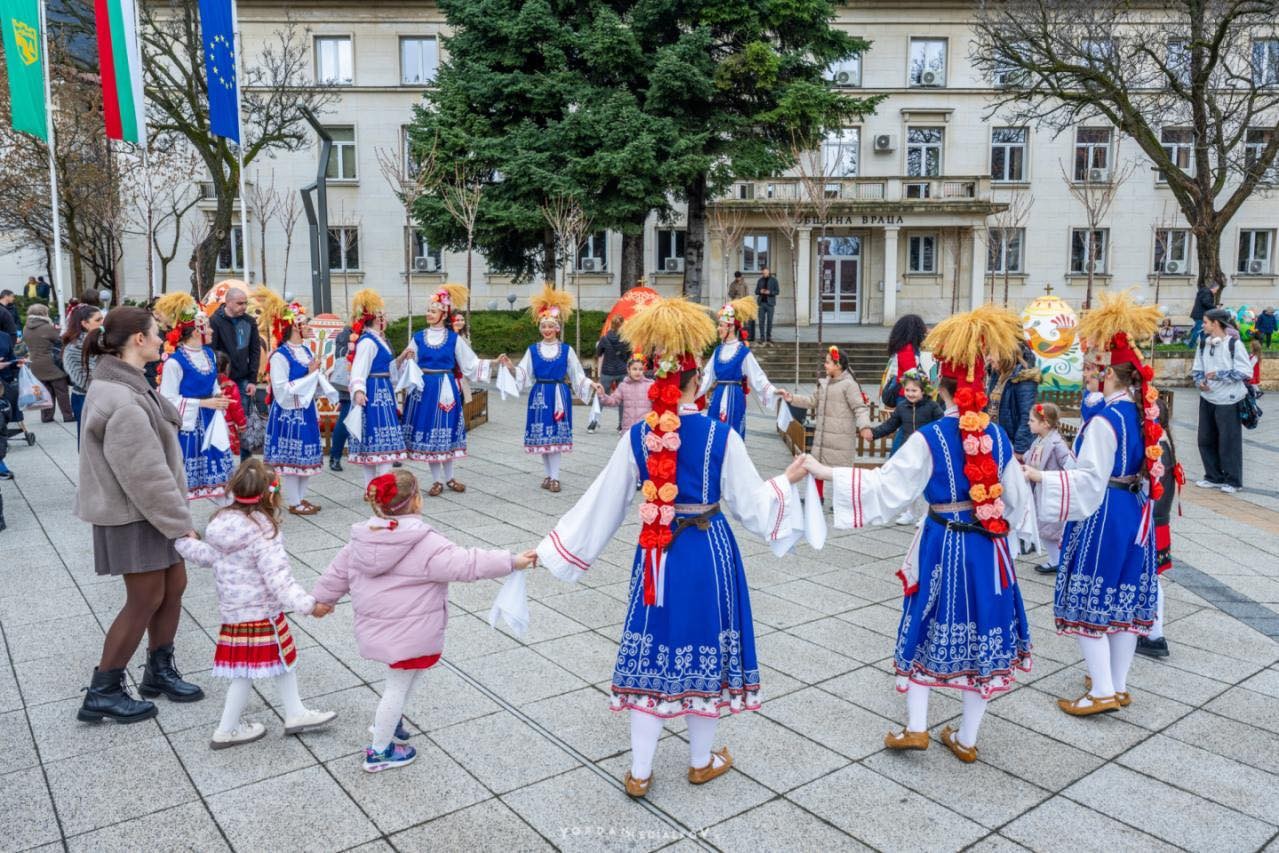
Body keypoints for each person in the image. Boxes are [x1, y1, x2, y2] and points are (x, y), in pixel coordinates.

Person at [536, 297, 807, 798]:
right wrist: (787, 482)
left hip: (656, 554)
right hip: (709, 553)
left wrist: (553, 550)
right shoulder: (721, 435)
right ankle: (700, 761)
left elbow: (604, 502)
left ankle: (640, 772)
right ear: (695, 378)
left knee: (652, 646)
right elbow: (752, 506)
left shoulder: (638, 436)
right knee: (705, 646)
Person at [804, 303, 1037, 763]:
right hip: (988, 548)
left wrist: (825, 471)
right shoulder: (998, 437)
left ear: (941, 387)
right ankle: (966, 738)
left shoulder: (928, 439)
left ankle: (915, 727)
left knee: (926, 621)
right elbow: (1017, 502)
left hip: (943, 542)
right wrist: (1006, 531)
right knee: (983, 631)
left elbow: (886, 487)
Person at [311, 470, 537, 772]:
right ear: (417, 500)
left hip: (382, 628)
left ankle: (389, 722)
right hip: (411, 633)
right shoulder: (425, 543)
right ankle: (379, 750)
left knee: (406, 681)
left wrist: (322, 600)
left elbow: (337, 572)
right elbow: (468, 563)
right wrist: (510, 561)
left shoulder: (363, 537)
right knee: (397, 687)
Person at [1024, 291, 1165, 717]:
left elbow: (1089, 478)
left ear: (1109, 374)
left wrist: (1041, 477)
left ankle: (1101, 689)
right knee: (1122, 603)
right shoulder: (1140, 413)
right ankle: (1117, 686)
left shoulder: (1106, 420)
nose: (1091, 372)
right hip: (1134, 512)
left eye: (1095, 367)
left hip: (1104, 513)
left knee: (1090, 599)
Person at [76, 306, 205, 724]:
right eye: (156, 333)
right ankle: (104, 689)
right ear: (138, 340)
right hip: (136, 514)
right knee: (145, 598)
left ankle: (158, 672)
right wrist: (181, 524)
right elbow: (144, 475)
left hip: (150, 511)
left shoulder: (128, 385)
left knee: (174, 586)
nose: (162, 339)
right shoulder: (122, 398)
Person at [175, 460, 337, 749]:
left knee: (281, 661)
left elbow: (206, 556)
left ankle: (295, 712)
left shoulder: (221, 525)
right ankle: (226, 730)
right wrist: (309, 606)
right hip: (261, 613)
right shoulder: (263, 533)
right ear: (270, 495)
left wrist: (183, 542)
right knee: (245, 674)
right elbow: (279, 581)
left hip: (236, 614)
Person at [497, 285, 592, 493]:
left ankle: (555, 477)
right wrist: (511, 368)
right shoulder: (533, 350)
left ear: (557, 328)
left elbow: (577, 373)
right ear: (540, 328)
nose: (547, 330)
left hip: (559, 394)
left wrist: (590, 384)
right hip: (539, 394)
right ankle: (549, 475)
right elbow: (524, 372)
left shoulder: (566, 350)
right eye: (544, 326)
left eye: (551, 326)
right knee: (542, 436)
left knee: (556, 436)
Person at [399, 285, 492, 494]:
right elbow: (407, 363)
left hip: (446, 388)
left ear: (443, 314)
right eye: (428, 310)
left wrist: (492, 364)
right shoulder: (418, 337)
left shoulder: (453, 338)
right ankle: (437, 481)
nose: (428, 314)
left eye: (433, 311)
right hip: (424, 389)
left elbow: (470, 363)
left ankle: (449, 478)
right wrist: (407, 359)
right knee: (431, 433)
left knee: (446, 431)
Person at [155, 294, 234, 502]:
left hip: (211, 420)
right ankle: (183, 518)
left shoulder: (209, 354)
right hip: (188, 425)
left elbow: (213, 382)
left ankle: (226, 513)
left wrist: (218, 394)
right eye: (208, 327)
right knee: (184, 479)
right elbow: (167, 400)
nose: (211, 331)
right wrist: (204, 402)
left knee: (220, 471)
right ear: (197, 331)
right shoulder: (175, 362)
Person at [262, 295, 330, 515]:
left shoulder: (306, 351)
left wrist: (318, 379)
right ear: (294, 326)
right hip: (288, 412)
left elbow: (310, 381)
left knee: (306, 457)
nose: (308, 326)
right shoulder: (279, 356)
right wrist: (309, 374)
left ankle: (300, 498)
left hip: (306, 409)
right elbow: (280, 388)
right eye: (304, 323)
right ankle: (294, 501)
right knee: (293, 458)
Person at [781, 345, 875, 502]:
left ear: (838, 365)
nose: (824, 365)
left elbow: (859, 407)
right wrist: (792, 398)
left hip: (840, 438)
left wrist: (865, 426)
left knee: (841, 472)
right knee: (817, 466)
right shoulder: (824, 383)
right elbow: (812, 401)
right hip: (822, 436)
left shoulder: (849, 385)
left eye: (827, 362)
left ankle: (843, 501)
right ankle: (816, 497)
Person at [346, 289, 408, 487]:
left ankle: (378, 486)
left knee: (381, 442)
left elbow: (387, 369)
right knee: (374, 441)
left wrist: (401, 359)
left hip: (383, 391)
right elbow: (359, 368)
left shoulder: (378, 339)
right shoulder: (368, 341)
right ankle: (373, 486)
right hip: (373, 392)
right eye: (382, 315)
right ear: (376, 319)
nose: (385, 319)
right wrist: (359, 390)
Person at [697, 298, 778, 438]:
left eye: (721, 325)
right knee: (715, 433)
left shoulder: (743, 352)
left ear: (731, 327)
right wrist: (688, 395)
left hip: (735, 397)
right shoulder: (718, 351)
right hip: (718, 396)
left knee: (732, 434)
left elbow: (757, 376)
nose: (718, 329)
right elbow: (706, 378)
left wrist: (774, 391)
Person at [1192, 308, 1253, 493]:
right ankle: (1213, 477)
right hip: (1208, 397)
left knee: (1229, 442)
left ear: (1216, 323)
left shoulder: (1234, 344)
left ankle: (1233, 481)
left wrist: (1219, 375)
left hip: (1229, 400)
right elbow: (1197, 367)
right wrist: (1199, 381)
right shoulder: (1203, 342)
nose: (1203, 325)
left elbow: (1245, 371)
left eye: (1205, 322)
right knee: (1205, 439)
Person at [1140, 398, 1181, 659]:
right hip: (1158, 521)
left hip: (1153, 523)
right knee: (1150, 578)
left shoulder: (1159, 450)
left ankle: (1154, 635)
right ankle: (1149, 630)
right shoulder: (1164, 443)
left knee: (1152, 579)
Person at [209, 286, 261, 459]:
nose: (244, 306)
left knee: (243, 419)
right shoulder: (215, 321)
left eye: (245, 303)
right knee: (222, 418)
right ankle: (223, 458)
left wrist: (253, 380)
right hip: (222, 380)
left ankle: (246, 462)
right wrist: (217, 378)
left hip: (243, 378)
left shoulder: (249, 321)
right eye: (240, 303)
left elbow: (255, 351)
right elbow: (211, 351)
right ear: (228, 302)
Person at [1025, 402, 1075, 574]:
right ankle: (1056, 559)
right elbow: (1031, 457)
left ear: (1045, 423)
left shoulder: (1057, 444)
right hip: (1040, 490)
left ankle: (1057, 560)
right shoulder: (1039, 440)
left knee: (1050, 528)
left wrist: (1057, 479)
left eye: (1032, 420)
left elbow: (1070, 466)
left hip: (1052, 492)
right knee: (1044, 527)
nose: (1028, 423)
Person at [986, 340, 1040, 460]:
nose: (988, 358)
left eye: (991, 353)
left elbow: (1027, 417)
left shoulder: (1023, 378)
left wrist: (1019, 450)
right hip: (998, 442)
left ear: (1004, 352)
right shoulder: (997, 374)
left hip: (1011, 446)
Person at [22, 303, 74, 423]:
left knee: (46, 391)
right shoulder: (47, 327)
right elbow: (60, 340)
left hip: (35, 363)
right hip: (51, 363)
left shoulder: (26, 328)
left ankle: (46, 417)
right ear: (43, 313)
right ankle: (67, 416)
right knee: (61, 390)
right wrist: (58, 330)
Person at [63, 304, 103, 443]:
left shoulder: (102, 341)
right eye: (98, 320)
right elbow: (84, 380)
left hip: (104, 395)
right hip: (86, 398)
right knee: (90, 442)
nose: (102, 322)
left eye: (102, 318)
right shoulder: (75, 347)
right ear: (85, 324)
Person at [594, 352, 654, 433]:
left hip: (644, 428)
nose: (638, 372)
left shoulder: (650, 385)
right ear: (628, 370)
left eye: (640, 369)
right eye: (634, 369)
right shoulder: (623, 386)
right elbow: (613, 401)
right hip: (628, 429)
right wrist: (603, 395)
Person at [591, 315, 629, 433]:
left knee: (600, 396)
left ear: (611, 325)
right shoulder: (626, 339)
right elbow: (628, 356)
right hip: (622, 371)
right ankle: (621, 425)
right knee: (623, 398)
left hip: (607, 371)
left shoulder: (604, 338)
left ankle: (593, 423)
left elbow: (599, 353)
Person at [0, 326, 36, 449]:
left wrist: (18, 362)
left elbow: (11, 357)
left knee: (11, 398)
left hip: (5, 379)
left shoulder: (4, 336)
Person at [327, 322, 354, 472]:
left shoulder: (378, 335)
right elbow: (340, 355)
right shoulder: (345, 334)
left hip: (368, 384)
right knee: (344, 421)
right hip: (348, 385)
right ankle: (335, 456)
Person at [216, 352, 248, 459]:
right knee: (229, 451)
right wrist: (241, 424)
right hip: (228, 425)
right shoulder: (230, 385)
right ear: (227, 367)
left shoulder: (208, 384)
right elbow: (236, 408)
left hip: (212, 424)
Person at [1188, 282, 1217, 347]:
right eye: (1216, 290)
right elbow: (1206, 302)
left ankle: (1202, 345)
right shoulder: (1207, 292)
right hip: (1200, 315)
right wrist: (1215, 307)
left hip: (1199, 314)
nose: (1216, 292)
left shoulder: (1204, 292)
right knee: (1198, 330)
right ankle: (1191, 345)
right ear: (1213, 288)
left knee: (1202, 330)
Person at [754, 266, 778, 344]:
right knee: (761, 321)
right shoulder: (760, 280)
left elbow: (777, 291)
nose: (764, 274)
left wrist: (770, 292)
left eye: (765, 273)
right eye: (763, 273)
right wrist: (760, 291)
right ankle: (762, 337)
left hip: (770, 304)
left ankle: (768, 337)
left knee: (770, 321)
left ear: (768, 272)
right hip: (761, 303)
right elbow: (756, 291)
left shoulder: (774, 280)